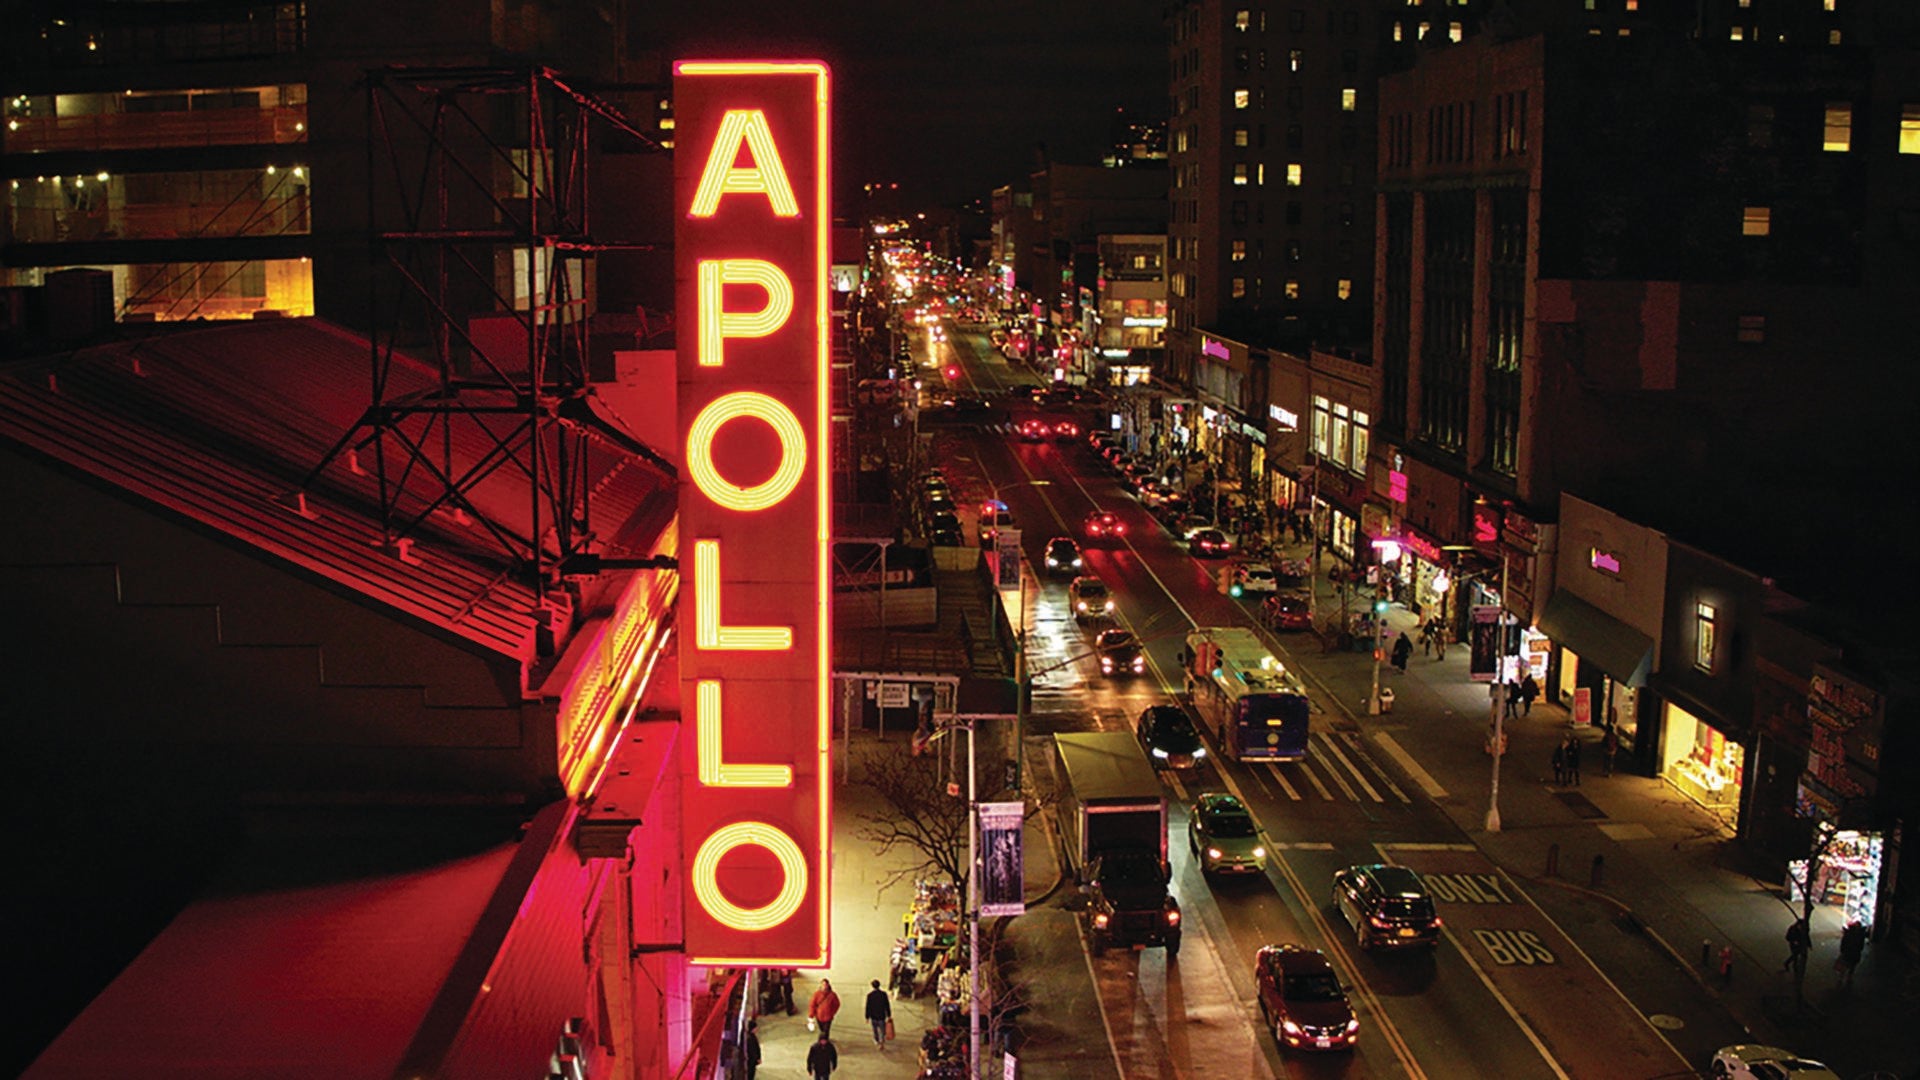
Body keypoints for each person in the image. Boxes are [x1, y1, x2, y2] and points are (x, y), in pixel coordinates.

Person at [1837, 920, 1867, 987]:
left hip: (1847, 953)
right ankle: (1849, 977)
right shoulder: (1860, 935)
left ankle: (1841, 978)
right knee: (1852, 966)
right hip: (1855, 953)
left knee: (1844, 965)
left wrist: (1842, 951)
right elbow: (1861, 946)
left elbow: (1843, 944)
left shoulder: (1848, 934)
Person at [865, 978, 892, 1048]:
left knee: (875, 1030)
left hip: (873, 1016)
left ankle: (876, 1040)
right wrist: (889, 1015)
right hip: (881, 1015)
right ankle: (882, 1042)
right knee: (882, 1030)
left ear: (872, 986)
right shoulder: (883, 994)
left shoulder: (870, 995)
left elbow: (868, 1007)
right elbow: (887, 1005)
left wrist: (867, 1017)